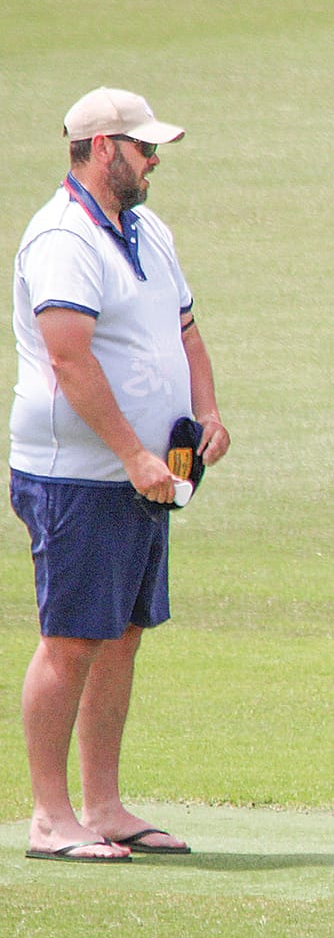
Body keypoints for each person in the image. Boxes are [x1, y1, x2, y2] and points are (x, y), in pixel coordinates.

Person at [11, 87, 230, 862]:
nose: (154, 159)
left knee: (123, 635)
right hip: (79, 474)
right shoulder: (64, 237)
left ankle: (103, 805)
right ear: (101, 147)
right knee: (70, 640)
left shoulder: (149, 229)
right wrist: (133, 454)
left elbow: (186, 331)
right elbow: (69, 362)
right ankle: (49, 816)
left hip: (145, 475)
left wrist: (205, 412)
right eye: (142, 148)